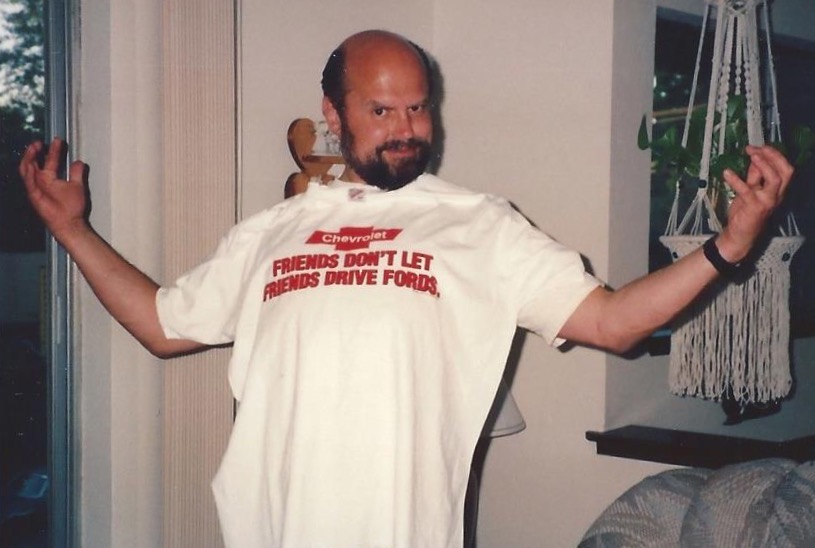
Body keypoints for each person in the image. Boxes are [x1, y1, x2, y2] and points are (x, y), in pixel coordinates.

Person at [19, 30, 794, 548]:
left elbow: (615, 322)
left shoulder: (480, 224)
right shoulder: (270, 232)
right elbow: (161, 325)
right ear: (333, 114)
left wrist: (727, 247)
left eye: (418, 107)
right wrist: (73, 231)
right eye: (381, 109)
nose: (406, 127)